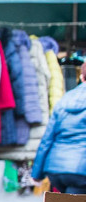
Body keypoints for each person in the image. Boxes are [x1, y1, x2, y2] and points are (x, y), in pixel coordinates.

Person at [33, 64, 86, 194]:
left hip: (56, 169)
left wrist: (37, 173)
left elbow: (47, 139)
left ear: (82, 76)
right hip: (81, 170)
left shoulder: (65, 98)